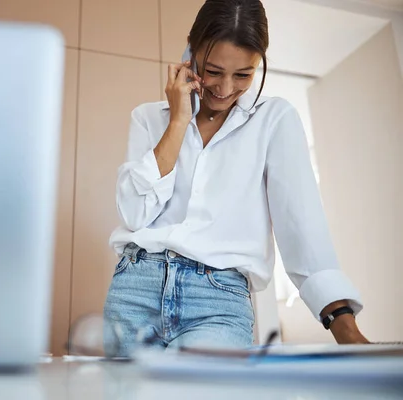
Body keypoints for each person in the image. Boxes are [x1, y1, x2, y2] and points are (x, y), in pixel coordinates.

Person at [103, 0, 369, 357]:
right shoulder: (149, 118)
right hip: (136, 288)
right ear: (190, 51)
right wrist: (179, 121)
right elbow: (134, 214)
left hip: (218, 300)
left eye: (243, 75)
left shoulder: (274, 120)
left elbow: (302, 230)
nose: (225, 89)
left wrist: (347, 330)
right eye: (212, 70)